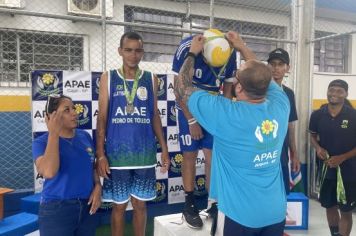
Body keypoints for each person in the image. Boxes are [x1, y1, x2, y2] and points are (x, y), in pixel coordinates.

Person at [174, 31, 290, 236]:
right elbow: (261, 75)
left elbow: (182, 86)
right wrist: (242, 46)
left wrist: (192, 54)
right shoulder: (281, 105)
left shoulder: (225, 114)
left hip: (239, 215)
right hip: (275, 212)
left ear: (238, 89)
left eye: (238, 73)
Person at [172, 29, 248, 228]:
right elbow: (177, 88)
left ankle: (213, 203)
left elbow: (228, 90)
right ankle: (189, 205)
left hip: (213, 109)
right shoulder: (186, 48)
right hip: (188, 105)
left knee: (212, 156)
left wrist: (220, 121)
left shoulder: (229, 53)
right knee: (189, 155)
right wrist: (191, 120)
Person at [96, 31, 170, 236]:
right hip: (116, 157)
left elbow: (154, 114)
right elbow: (101, 118)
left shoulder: (151, 79)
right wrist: (100, 154)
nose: (133, 55)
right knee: (119, 207)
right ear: (120, 51)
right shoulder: (108, 77)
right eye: (128, 50)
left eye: (137, 50)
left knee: (140, 205)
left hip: (144, 155)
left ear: (143, 53)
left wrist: (164, 149)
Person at [32, 94, 101, 236]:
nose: (74, 113)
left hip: (87, 208)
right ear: (52, 116)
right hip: (57, 211)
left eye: (73, 108)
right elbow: (49, 171)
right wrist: (53, 133)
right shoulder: (41, 143)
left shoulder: (85, 136)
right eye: (67, 110)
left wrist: (98, 186)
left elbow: (92, 167)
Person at [309, 79, 356, 236]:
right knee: (330, 206)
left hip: (348, 173)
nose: (334, 93)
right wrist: (318, 148)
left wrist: (342, 157)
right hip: (326, 170)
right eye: (332, 90)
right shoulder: (317, 115)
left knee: (346, 210)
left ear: (346, 94)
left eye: (339, 91)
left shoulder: (353, 115)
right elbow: (313, 136)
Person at [268, 48, 301, 196]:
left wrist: (294, 153)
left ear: (287, 68)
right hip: (261, 148)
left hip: (281, 151)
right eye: (272, 63)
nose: (276, 68)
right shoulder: (258, 89)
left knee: (281, 191)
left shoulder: (288, 93)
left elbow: (290, 125)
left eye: (280, 64)